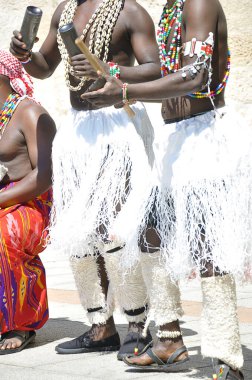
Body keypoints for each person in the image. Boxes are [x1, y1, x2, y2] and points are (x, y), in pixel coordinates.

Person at [82, 0, 252, 378]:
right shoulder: (174, 7)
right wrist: (117, 74)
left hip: (207, 138)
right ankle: (170, 340)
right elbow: (165, 70)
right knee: (148, 236)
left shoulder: (200, 3)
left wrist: (125, 93)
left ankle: (226, 359)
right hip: (176, 141)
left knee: (210, 250)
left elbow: (195, 77)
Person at [10, 0, 161, 358]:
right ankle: (100, 326)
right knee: (81, 232)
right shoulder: (64, 10)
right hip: (79, 132)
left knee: (117, 231)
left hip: (116, 126)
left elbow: (156, 70)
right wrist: (26, 55)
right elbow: (45, 67)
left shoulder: (130, 12)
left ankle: (137, 328)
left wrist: (107, 69)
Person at [0, 49, 56, 354]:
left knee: (3, 235)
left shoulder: (30, 113)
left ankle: (21, 322)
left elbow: (44, 177)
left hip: (34, 204)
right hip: (5, 200)